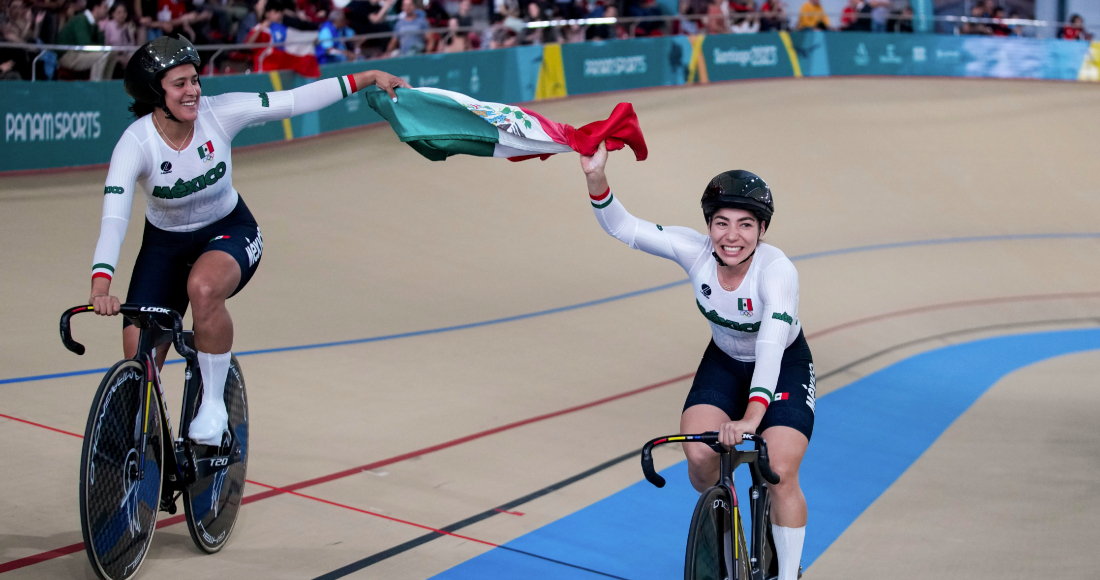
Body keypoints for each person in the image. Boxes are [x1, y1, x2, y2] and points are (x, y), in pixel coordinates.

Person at [89, 35, 410, 445]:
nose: (193, 91)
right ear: (156, 92)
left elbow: (294, 101)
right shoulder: (136, 142)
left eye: (194, 80)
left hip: (229, 229)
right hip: (164, 246)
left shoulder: (220, 113)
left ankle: (213, 406)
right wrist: (102, 284)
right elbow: (114, 216)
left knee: (203, 288)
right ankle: (145, 452)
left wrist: (368, 76)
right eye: (179, 84)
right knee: (138, 359)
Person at [578, 144, 814, 580]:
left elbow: (769, 347)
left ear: (762, 229)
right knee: (700, 455)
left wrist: (751, 418)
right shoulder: (695, 251)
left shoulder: (778, 271)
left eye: (745, 224)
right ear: (708, 226)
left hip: (782, 363)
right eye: (721, 222)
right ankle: (724, 530)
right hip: (724, 360)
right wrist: (595, 176)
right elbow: (623, 227)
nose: (731, 235)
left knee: (779, 469)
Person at [57, 0, 115, 79]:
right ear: (96, 8)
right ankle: (96, 86)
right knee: (102, 56)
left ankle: (106, 84)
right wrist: (103, 48)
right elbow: (85, 44)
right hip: (68, 55)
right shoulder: (81, 20)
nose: (108, 9)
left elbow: (100, 44)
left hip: (79, 53)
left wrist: (100, 32)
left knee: (112, 54)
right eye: (105, 7)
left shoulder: (95, 24)